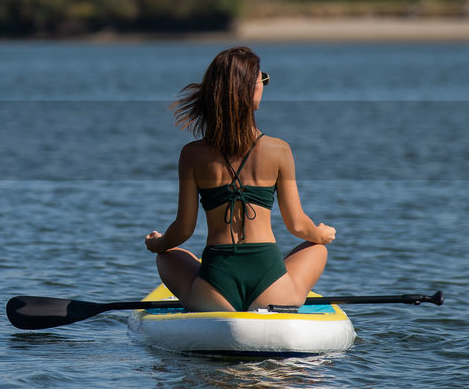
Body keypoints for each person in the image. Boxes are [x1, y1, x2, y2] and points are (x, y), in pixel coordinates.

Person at [143, 47, 335, 312]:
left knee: (168, 256)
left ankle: (207, 302)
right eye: (262, 79)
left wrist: (157, 244)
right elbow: (298, 225)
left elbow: (184, 229)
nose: (264, 85)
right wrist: (321, 234)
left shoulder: (191, 155)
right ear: (250, 89)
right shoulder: (279, 150)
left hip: (214, 287)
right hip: (271, 288)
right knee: (317, 249)